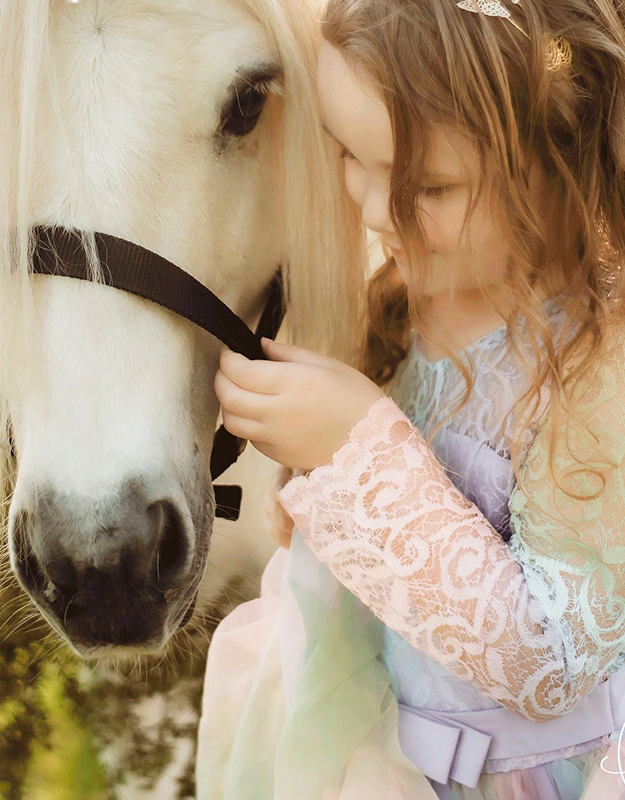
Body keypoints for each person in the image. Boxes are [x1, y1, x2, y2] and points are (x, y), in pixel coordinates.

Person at [196, 0, 625, 797]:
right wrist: (321, 504)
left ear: (561, 152)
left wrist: (361, 458)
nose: (367, 208)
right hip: (394, 755)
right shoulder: (405, 300)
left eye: (426, 185)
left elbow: (549, 666)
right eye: (347, 153)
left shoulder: (598, 361)